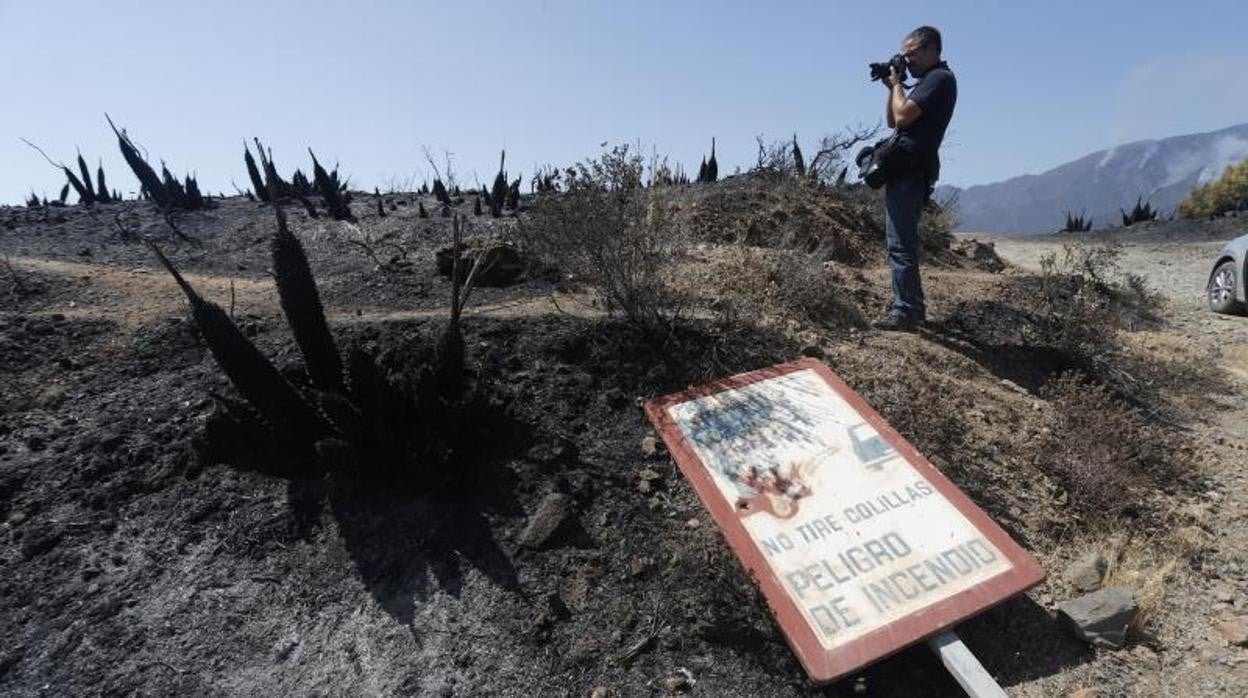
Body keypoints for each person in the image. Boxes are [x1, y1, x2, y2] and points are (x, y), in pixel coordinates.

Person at [873, 25, 957, 331]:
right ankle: (911, 307)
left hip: (911, 169)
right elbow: (893, 119)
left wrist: (898, 84)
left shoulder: (939, 79)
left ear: (931, 49)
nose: (907, 61)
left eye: (911, 54)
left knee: (900, 243)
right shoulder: (928, 82)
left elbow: (903, 116)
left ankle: (906, 311)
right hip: (906, 168)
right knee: (900, 241)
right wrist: (891, 87)